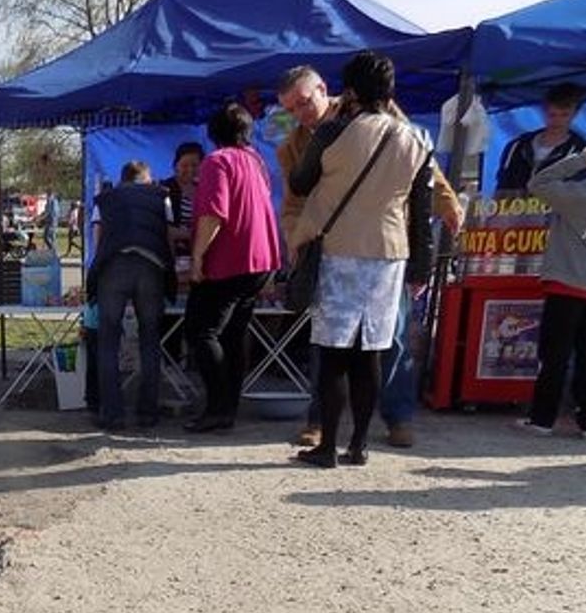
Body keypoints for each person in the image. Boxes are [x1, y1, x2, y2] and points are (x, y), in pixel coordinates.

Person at [278, 65, 464, 450]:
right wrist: (296, 238)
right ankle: (321, 423)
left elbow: (422, 167)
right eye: (291, 109)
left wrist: (447, 202)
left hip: (382, 244)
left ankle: (397, 416)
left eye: (304, 102)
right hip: (335, 246)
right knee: (329, 343)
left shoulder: (377, 114)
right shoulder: (291, 146)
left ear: (323, 88)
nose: (300, 113)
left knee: (389, 339)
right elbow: (294, 201)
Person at [183, 103, 281, 432]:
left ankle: (217, 406)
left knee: (202, 330)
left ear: (213, 133)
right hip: (260, 259)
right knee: (234, 334)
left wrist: (198, 257)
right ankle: (228, 408)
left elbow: (214, 213)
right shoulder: (256, 160)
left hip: (230, 259)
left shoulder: (217, 161)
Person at [88, 161, 176, 430]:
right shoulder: (161, 197)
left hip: (114, 267)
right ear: (147, 180)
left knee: (108, 340)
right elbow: (168, 238)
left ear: (123, 179)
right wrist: (170, 271)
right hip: (151, 267)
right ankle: (148, 412)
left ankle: (112, 413)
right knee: (150, 338)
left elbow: (98, 238)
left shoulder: (106, 198)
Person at [521, 146, 586, 439]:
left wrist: (582, 158)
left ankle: (542, 419)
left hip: (566, 283)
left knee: (554, 356)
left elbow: (537, 182)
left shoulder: (578, 194)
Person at [495, 83, 586, 194]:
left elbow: (579, 195)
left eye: (564, 115)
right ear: (544, 111)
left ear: (575, 114)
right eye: (552, 115)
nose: (557, 121)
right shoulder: (516, 146)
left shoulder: (582, 152)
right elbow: (501, 189)